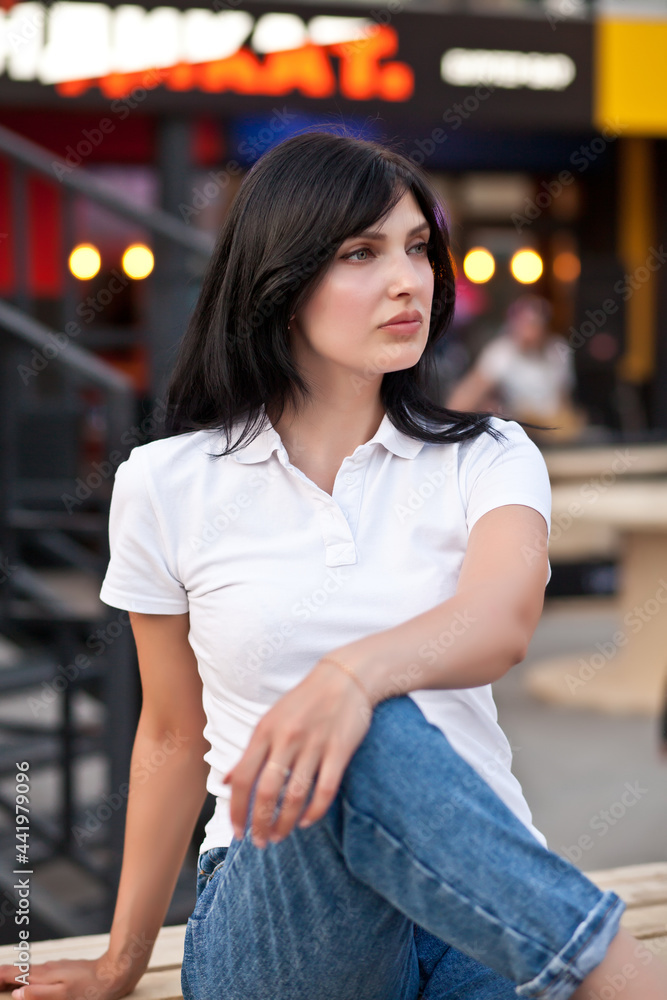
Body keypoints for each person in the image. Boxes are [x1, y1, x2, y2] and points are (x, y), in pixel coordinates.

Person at [2, 131, 665, 1000]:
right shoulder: (166, 483)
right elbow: (170, 731)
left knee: (364, 712)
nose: (408, 280)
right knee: (362, 729)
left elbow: (501, 622)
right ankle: (626, 979)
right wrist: (119, 964)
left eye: (418, 248)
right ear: (281, 283)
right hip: (280, 912)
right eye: (362, 252)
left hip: (473, 899)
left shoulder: (488, 454)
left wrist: (349, 675)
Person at [446, 295, 587, 445]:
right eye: (523, 324)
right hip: (518, 434)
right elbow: (467, 393)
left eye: (534, 324)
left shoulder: (558, 350)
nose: (529, 332)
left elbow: (563, 397)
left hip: (554, 435)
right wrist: (452, 424)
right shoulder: (502, 351)